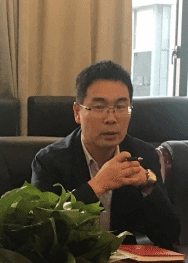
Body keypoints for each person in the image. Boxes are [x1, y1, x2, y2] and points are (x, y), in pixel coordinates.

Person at [31, 60, 180, 249]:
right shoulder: (49, 161)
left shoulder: (143, 155)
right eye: (99, 107)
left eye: (120, 107)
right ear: (77, 112)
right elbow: (41, 235)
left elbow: (169, 235)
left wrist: (148, 186)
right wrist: (97, 186)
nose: (111, 118)